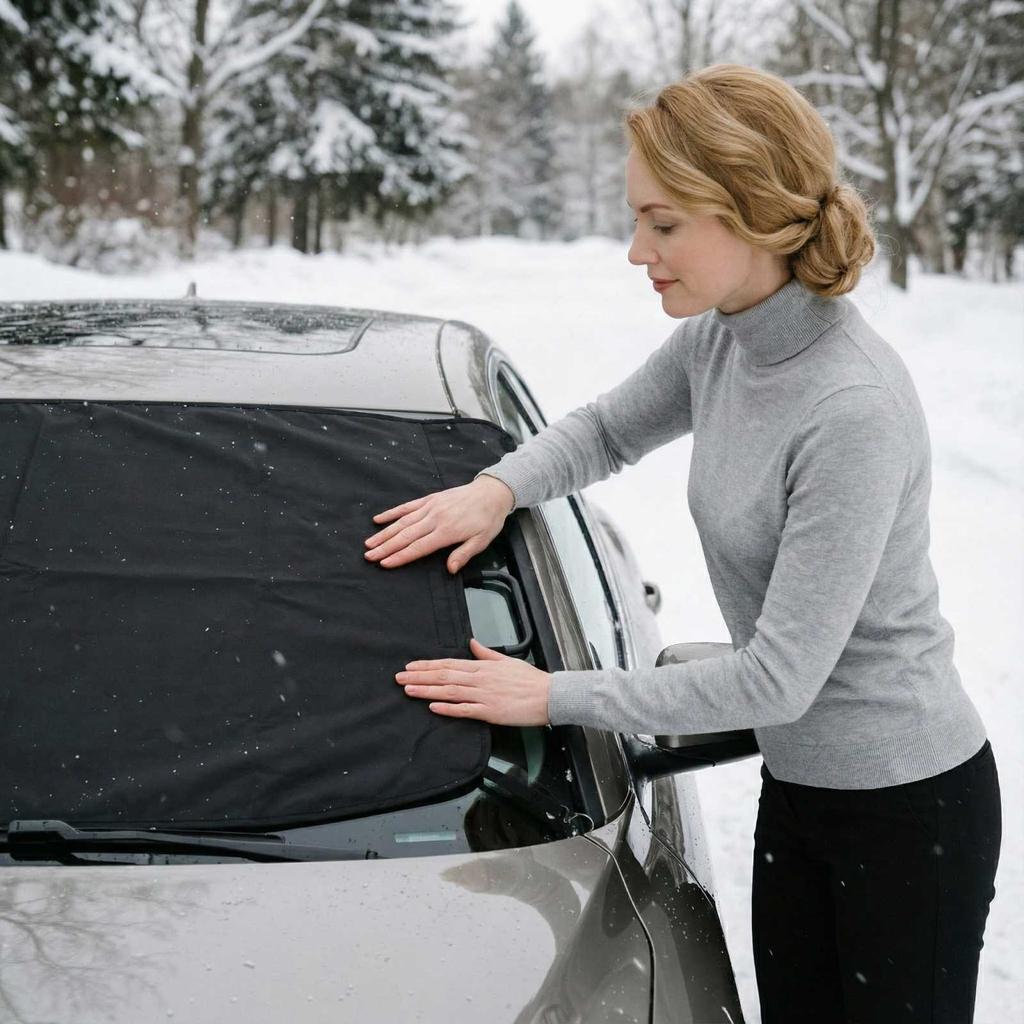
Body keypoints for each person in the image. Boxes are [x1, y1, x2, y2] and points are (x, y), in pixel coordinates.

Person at [363, 63, 1002, 1023]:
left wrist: (550, 696)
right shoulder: (725, 339)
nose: (636, 251)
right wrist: (496, 490)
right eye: (637, 220)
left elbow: (779, 678)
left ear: (747, 210)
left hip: (908, 810)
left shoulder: (850, 405)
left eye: (662, 224)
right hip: (801, 791)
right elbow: (607, 431)